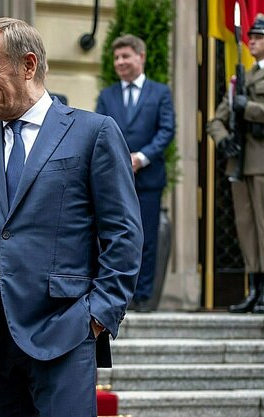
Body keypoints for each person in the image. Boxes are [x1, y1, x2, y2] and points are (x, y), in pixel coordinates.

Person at [0, 17, 142, 417]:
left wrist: (97, 316)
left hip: (65, 333)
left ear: (27, 65)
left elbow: (124, 235)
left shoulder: (93, 133)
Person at [207, 14, 264, 314]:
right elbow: (216, 120)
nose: (252, 41)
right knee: (246, 228)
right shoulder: (240, 80)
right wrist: (223, 140)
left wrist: (251, 108)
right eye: (251, 36)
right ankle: (253, 289)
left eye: (259, 37)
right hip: (240, 161)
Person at [95, 34, 175, 312]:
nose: (120, 62)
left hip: (149, 179)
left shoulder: (160, 92)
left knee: (148, 238)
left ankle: (143, 297)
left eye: (125, 56)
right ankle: (120, 294)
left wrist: (140, 158)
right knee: (117, 236)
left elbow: (167, 130)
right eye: (116, 58)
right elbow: (99, 133)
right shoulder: (107, 96)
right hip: (114, 180)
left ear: (140, 57)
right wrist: (119, 159)